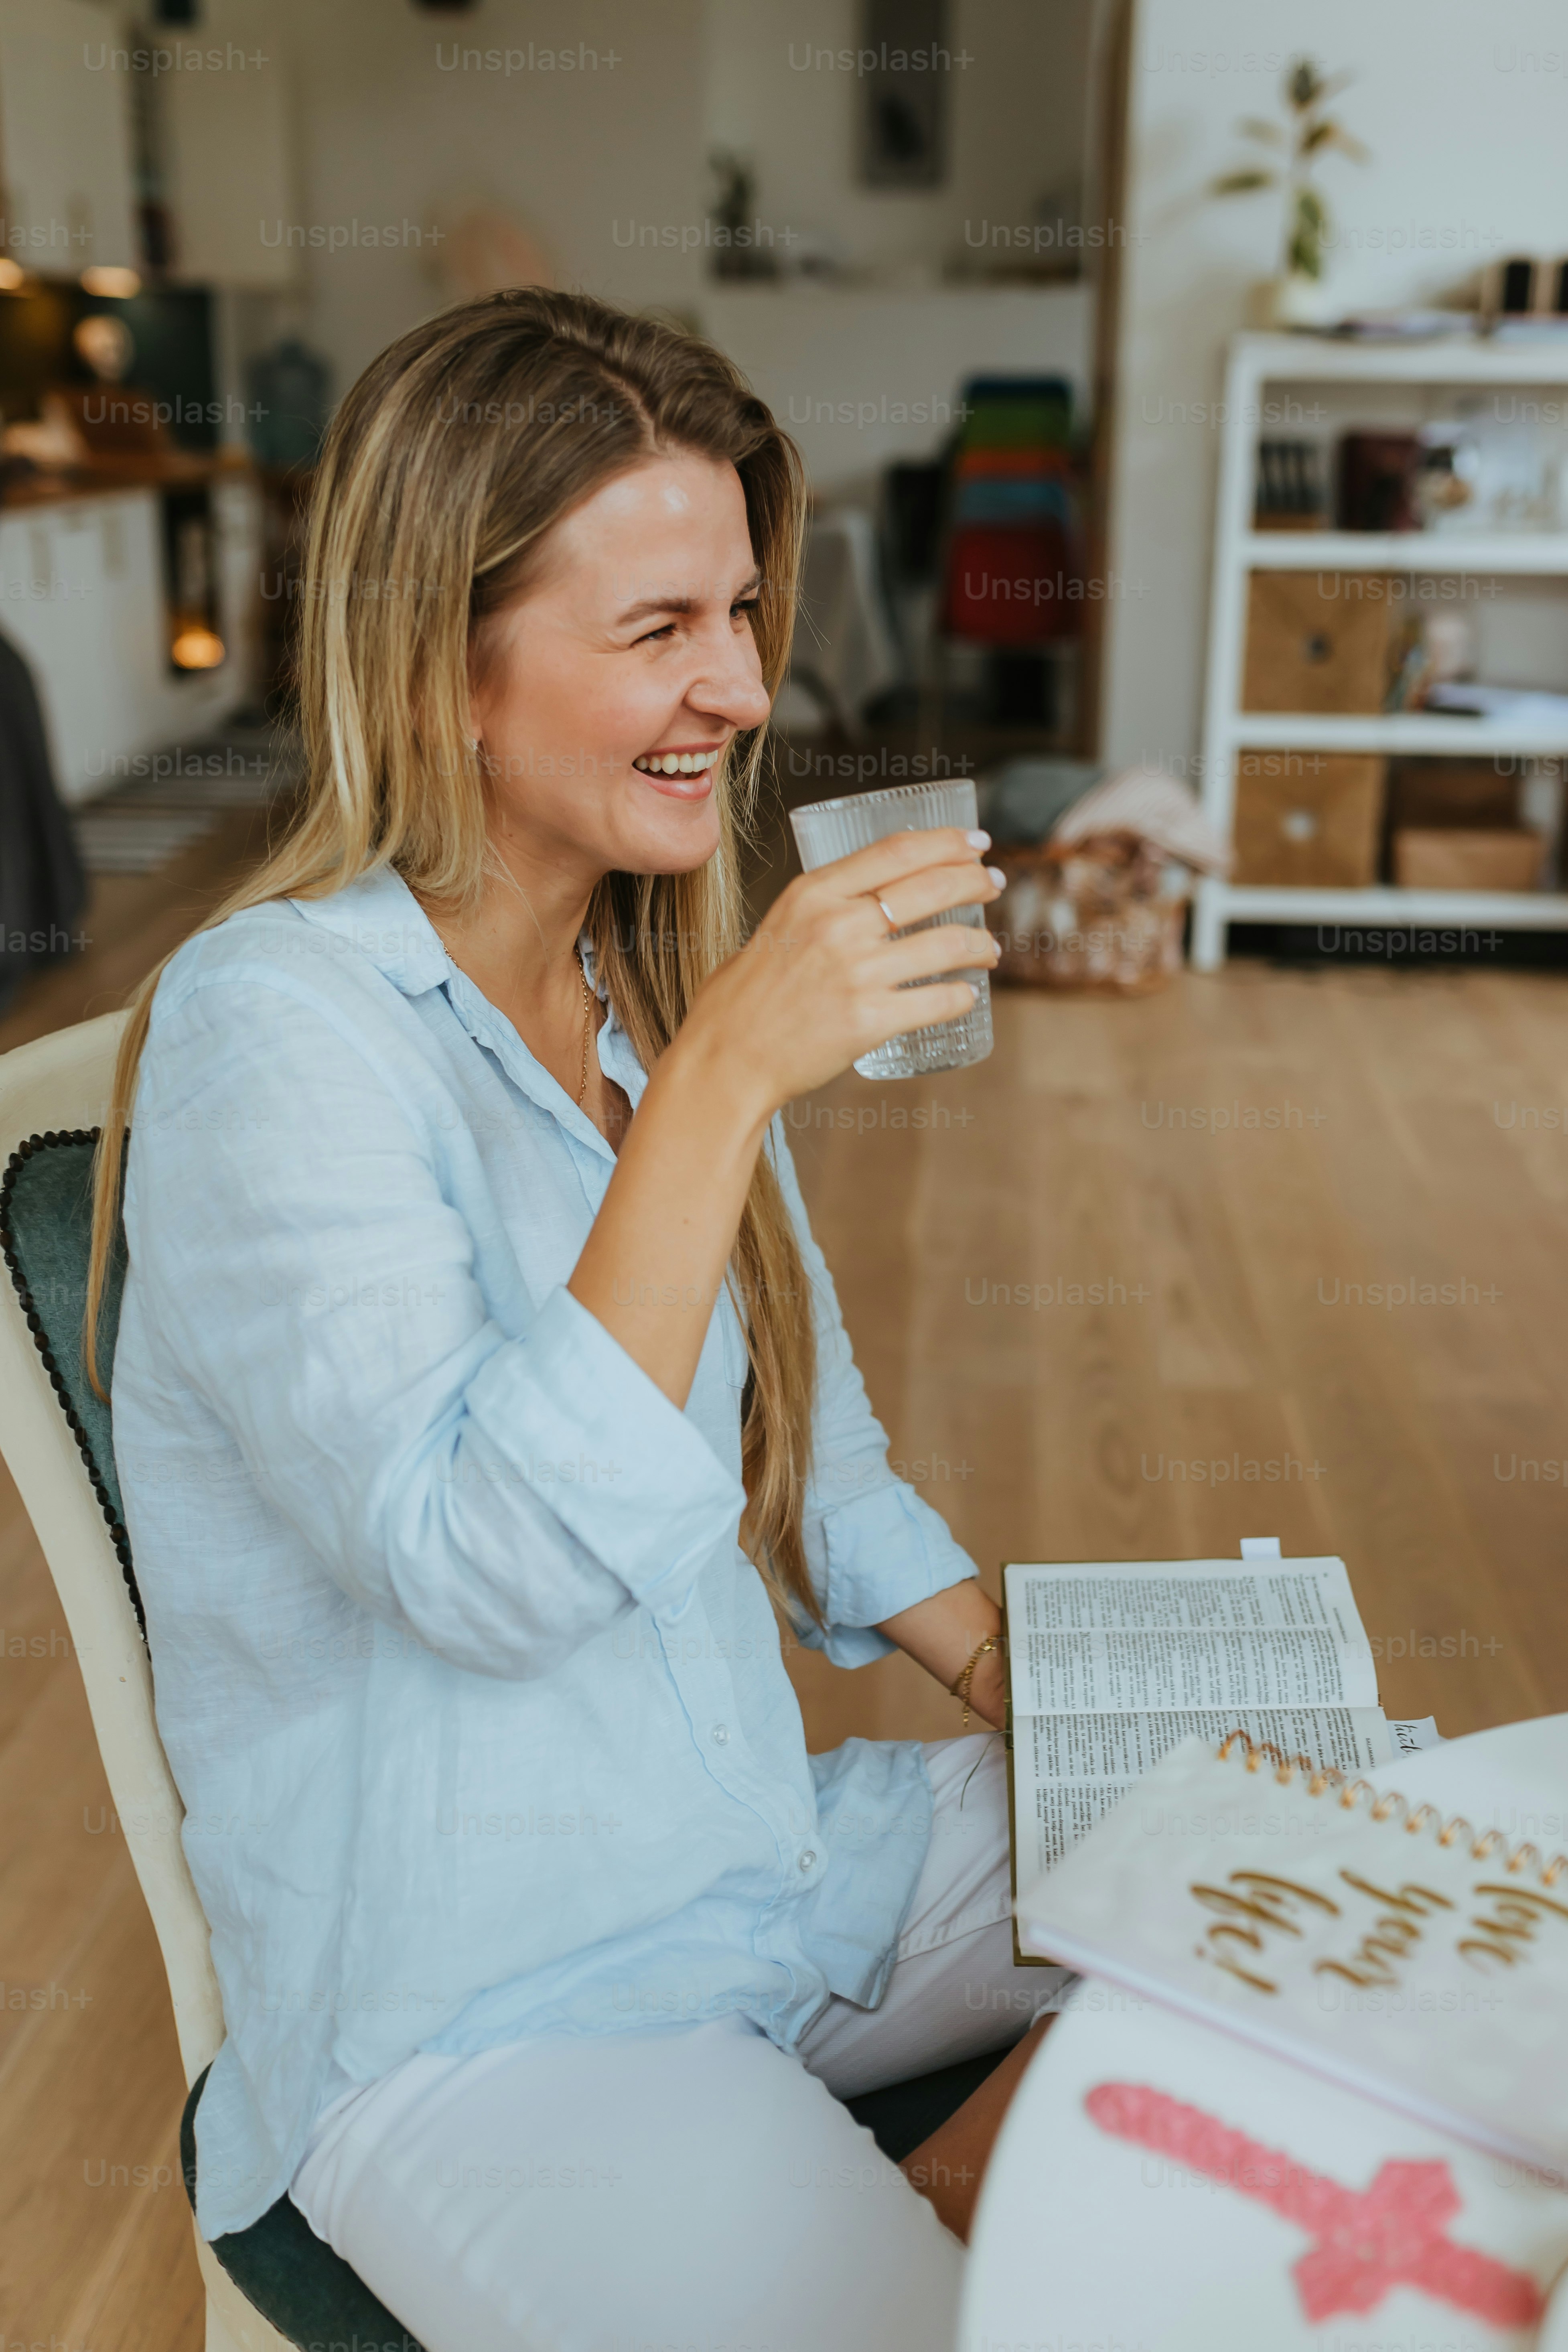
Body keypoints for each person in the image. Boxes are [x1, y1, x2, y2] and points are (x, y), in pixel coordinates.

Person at [92, 290, 1067, 2352]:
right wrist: (725, 1086)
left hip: (778, 1870)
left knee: (1373, 1855)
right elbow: (485, 1561)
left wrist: (1080, 1716)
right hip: (498, 2004)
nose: (737, 681)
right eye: (656, 630)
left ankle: (952, 2189)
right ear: (444, 666)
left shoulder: (638, 986)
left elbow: (820, 1473)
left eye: (738, 609)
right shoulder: (276, 1033)